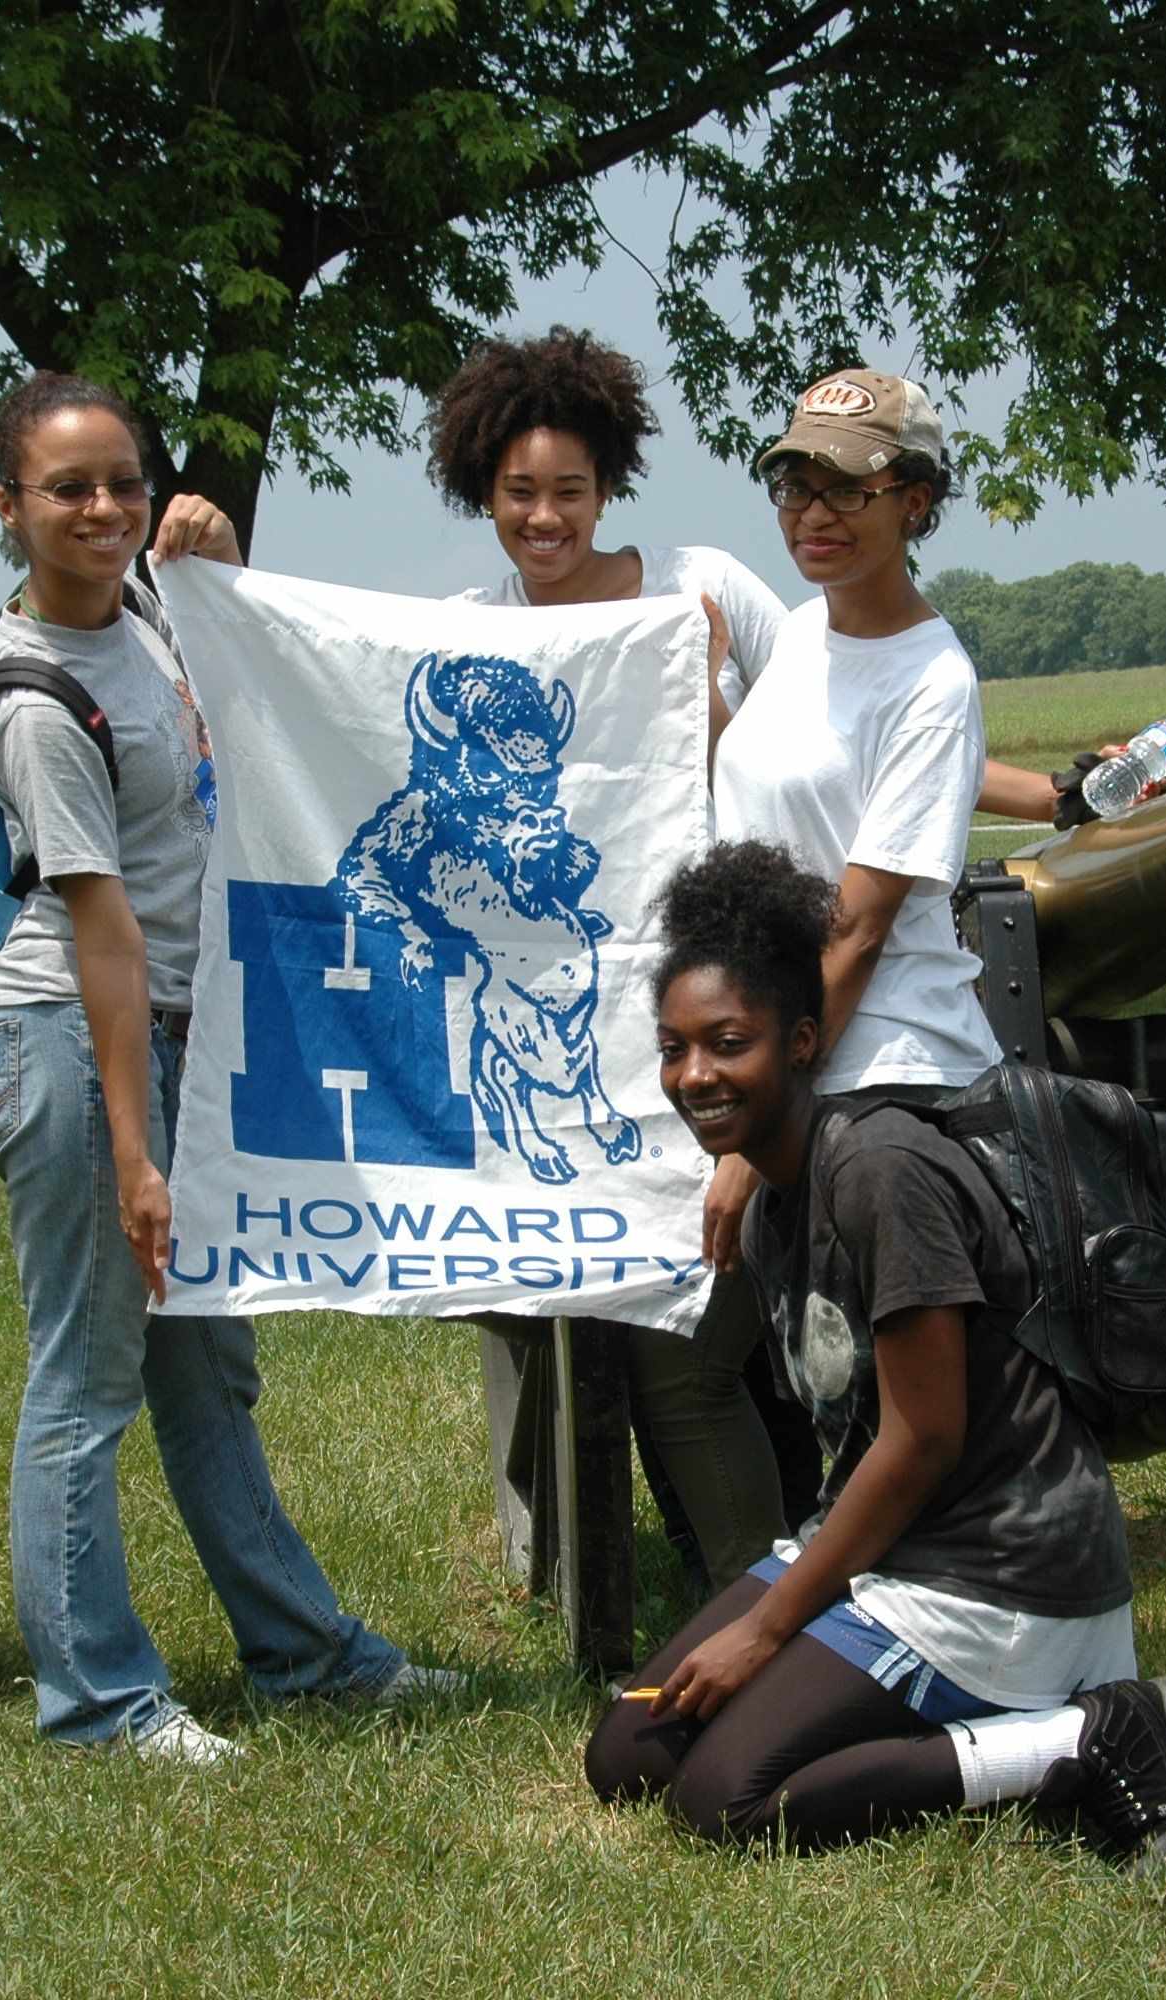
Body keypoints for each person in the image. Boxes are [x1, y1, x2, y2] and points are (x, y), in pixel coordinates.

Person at [0, 372, 452, 1762]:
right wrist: (136, 1156)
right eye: (67, 490)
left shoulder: (147, 622)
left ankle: (306, 1656)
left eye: (121, 479)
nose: (104, 509)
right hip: (67, 1038)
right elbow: (102, 939)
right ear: (9, 509)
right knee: (91, 1376)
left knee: (206, 1369)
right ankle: (103, 1705)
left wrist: (217, 581)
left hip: (179, 1031)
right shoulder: (38, 701)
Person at [583, 841, 1166, 1865]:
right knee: (628, 1751)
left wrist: (765, 1627)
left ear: (800, 1040)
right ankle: (918, 1710)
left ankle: (1086, 1732)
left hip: (999, 1575)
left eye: (726, 1042)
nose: (694, 1073)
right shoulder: (778, 1191)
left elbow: (923, 1438)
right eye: (674, 1046)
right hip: (894, 1549)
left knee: (726, 1797)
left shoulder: (880, 1170)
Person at [425, 326, 810, 1593]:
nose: (544, 518)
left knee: (702, 1325)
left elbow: (814, 745)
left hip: (721, 1006)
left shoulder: (702, 584)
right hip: (562, 1024)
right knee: (639, 1336)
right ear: (481, 491)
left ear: (610, 486)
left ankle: (775, 1582)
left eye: (570, 492)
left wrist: (701, 698)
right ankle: (640, 1578)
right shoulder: (465, 630)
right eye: (518, 493)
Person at [701, 366, 1011, 1273]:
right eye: (795, 486)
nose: (812, 515)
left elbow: (859, 928)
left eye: (847, 489)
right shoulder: (802, 633)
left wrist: (756, 1124)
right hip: (781, 1049)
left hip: (879, 1078)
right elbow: (769, 784)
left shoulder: (932, 680)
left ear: (914, 503)